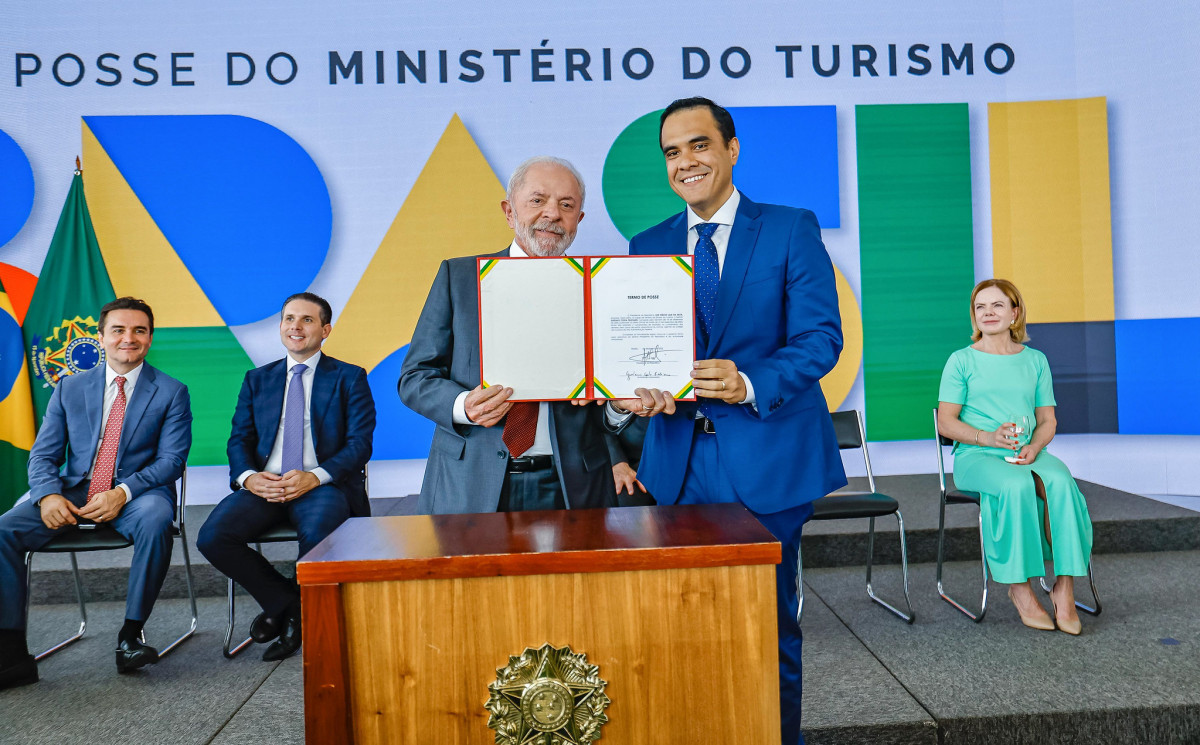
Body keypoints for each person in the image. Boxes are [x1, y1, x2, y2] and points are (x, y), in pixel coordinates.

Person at [607, 97, 846, 745]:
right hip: (677, 464)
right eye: (672, 152)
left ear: (732, 149)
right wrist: (636, 392)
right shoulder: (647, 243)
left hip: (768, 459)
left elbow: (823, 338)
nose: (686, 161)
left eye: (699, 145)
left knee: (767, 629)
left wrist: (749, 381)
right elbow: (641, 350)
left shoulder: (791, 227)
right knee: (682, 628)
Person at [399, 156, 621, 515]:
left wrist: (617, 407)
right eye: (537, 200)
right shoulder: (459, 278)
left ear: (578, 220)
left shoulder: (600, 289)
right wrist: (463, 406)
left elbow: (610, 396)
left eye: (567, 205)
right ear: (508, 211)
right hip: (469, 483)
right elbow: (414, 378)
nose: (552, 214)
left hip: (573, 487)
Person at [0, 297, 192, 687]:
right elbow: (43, 455)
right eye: (118, 330)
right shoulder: (69, 388)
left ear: (150, 338)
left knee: (157, 519)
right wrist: (48, 495)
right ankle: (9, 653)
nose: (128, 338)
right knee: (3, 530)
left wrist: (122, 492)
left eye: (139, 330)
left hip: (138, 495)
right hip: (73, 493)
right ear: (101, 338)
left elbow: (172, 461)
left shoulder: (171, 391)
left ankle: (130, 637)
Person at [197, 292, 374, 661]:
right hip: (266, 484)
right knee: (213, 537)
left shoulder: (349, 377)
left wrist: (316, 477)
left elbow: (359, 445)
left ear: (325, 329)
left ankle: (306, 621)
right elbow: (239, 439)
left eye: (307, 320)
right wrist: (248, 477)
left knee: (318, 533)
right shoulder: (257, 380)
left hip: (321, 485)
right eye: (289, 319)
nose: (296, 326)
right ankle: (290, 604)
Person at [937, 278, 1093, 635]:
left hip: (1029, 450)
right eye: (981, 307)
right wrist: (987, 437)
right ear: (974, 317)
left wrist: (1035, 447)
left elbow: (1047, 420)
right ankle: (1019, 589)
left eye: (997, 305)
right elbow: (946, 422)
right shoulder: (961, 360)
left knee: (1061, 483)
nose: (988, 313)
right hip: (977, 456)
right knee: (1014, 485)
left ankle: (1064, 589)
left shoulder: (1035, 361)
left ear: (1015, 312)